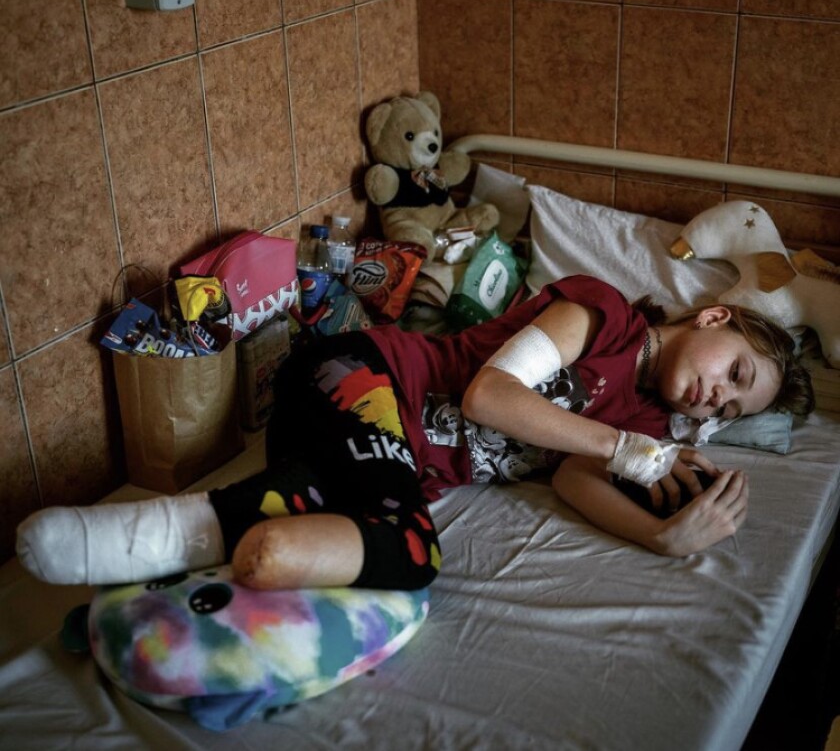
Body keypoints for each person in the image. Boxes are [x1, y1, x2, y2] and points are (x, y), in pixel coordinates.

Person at [16, 275, 814, 591]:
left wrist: (665, 535)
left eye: (727, 413)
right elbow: (488, 396)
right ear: (714, 318)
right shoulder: (601, 314)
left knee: (362, 527)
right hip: (356, 375)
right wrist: (622, 449)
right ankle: (139, 539)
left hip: (373, 455)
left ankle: (150, 537)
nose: (713, 403)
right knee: (412, 550)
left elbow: (571, 480)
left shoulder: (641, 421)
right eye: (735, 374)